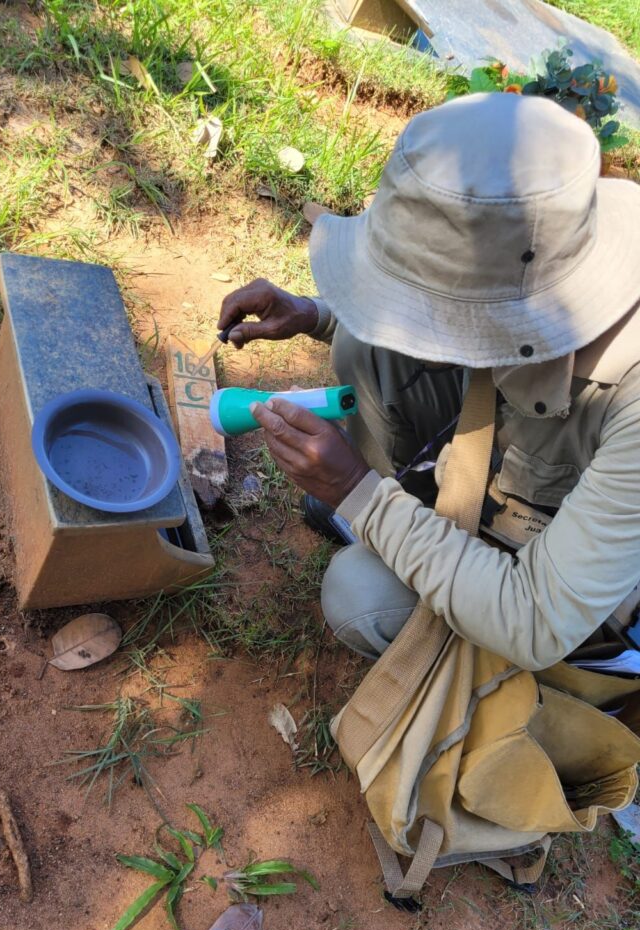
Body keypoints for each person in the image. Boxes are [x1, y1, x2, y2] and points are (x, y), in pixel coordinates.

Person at [217, 92, 640, 671]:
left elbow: (537, 619)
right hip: (515, 477)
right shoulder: (538, 254)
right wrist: (319, 314)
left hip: (572, 595)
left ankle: (583, 676)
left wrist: (358, 493)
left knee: (361, 596)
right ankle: (414, 525)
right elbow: (464, 314)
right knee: (368, 342)